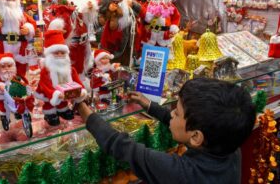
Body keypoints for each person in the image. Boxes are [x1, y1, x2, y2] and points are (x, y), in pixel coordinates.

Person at [77, 78, 256, 184]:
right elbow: (184, 125)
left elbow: (123, 147)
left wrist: (88, 115)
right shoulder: (229, 149)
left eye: (176, 113)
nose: (171, 114)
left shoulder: (181, 173)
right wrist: (150, 106)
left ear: (196, 137)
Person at [34, 26, 87, 126]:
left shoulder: (71, 69)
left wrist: (81, 91)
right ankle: (50, 114)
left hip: (64, 94)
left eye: (62, 53)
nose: (59, 55)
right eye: (56, 53)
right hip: (48, 93)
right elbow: (46, 86)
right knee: (50, 104)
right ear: (49, 55)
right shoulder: (46, 71)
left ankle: (62, 110)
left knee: (63, 103)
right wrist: (56, 94)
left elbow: (77, 81)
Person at [0, 53, 34, 131]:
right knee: (2, 106)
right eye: (3, 67)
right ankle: (4, 117)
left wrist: (26, 85)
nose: (7, 69)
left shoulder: (15, 75)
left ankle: (19, 112)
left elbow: (22, 80)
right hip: (3, 95)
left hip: (15, 94)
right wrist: (0, 87)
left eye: (9, 66)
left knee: (20, 100)